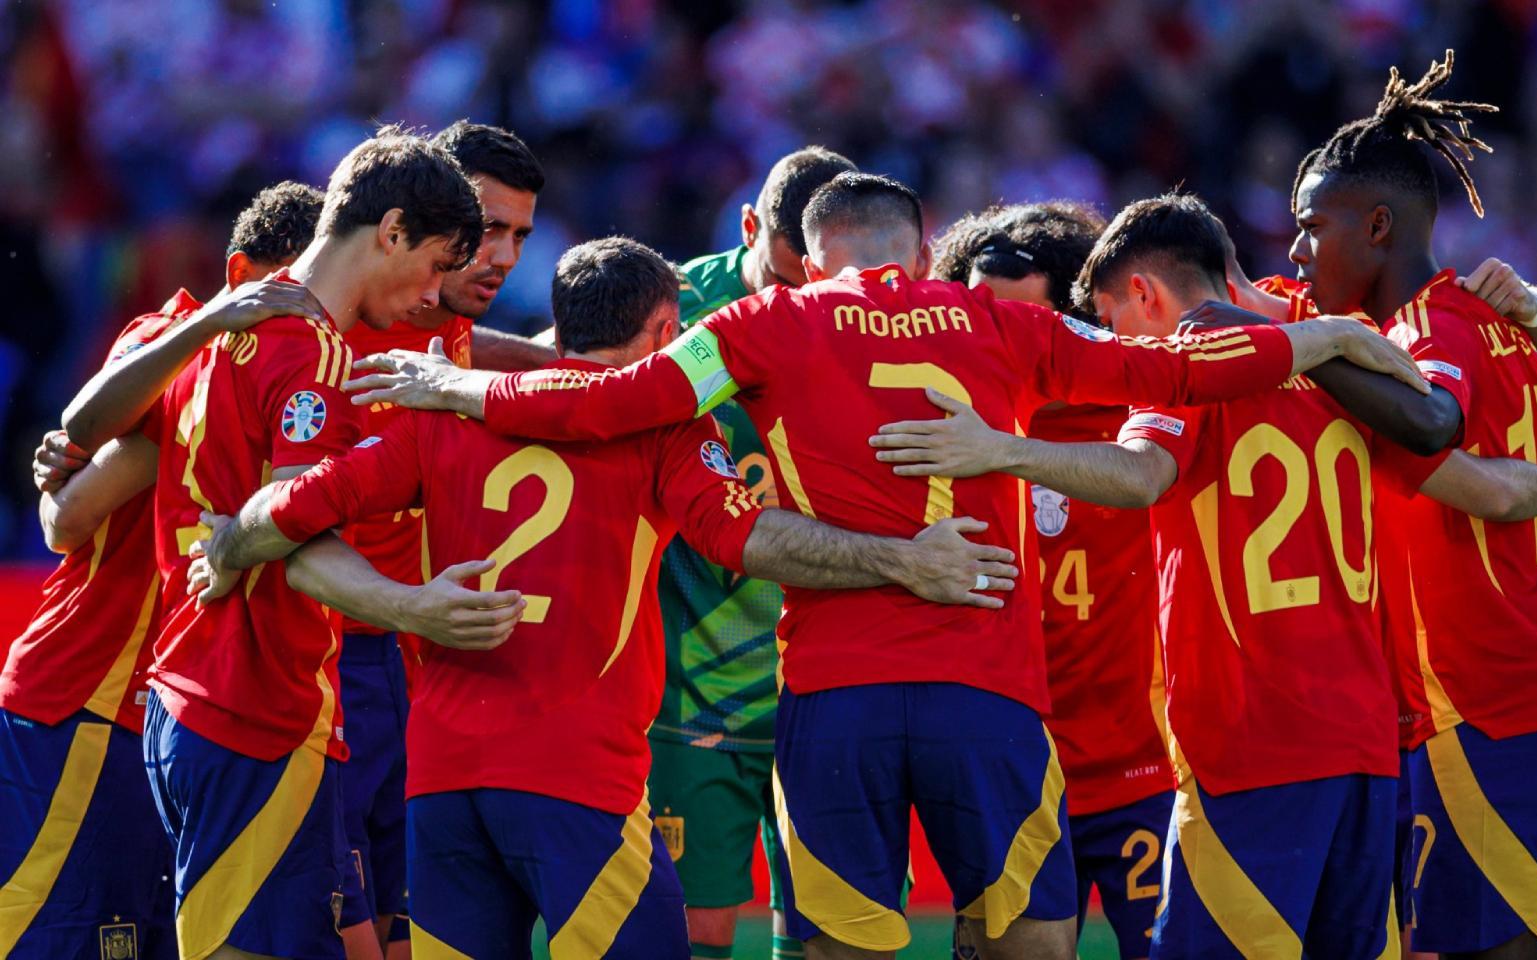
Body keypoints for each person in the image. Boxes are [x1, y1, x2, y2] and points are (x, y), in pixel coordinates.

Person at [342, 172, 1427, 960]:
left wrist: (463, 387)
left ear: (816, 256)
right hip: (988, 691)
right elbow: (1170, 370)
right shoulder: (997, 323)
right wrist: (1325, 338)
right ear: (916, 252)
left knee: (837, 943)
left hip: (834, 693)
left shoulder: (768, 321)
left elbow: (620, 399)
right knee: (1034, 937)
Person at [187, 236, 1021, 958]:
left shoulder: (440, 412)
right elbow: (752, 540)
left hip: (442, 783)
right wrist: (903, 560)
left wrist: (227, 547)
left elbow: (295, 510)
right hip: (577, 781)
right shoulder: (665, 430)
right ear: (664, 332)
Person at [869, 192, 1537, 960]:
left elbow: (1142, 473)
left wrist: (999, 450)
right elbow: (1485, 469)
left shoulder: (1189, 363)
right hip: (1366, 750)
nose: (1114, 351)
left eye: (1108, 324)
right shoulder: (1350, 356)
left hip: (1248, 746)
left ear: (1143, 294)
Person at [60, 126, 490, 960]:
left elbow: (82, 436)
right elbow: (299, 542)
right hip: (252, 706)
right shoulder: (312, 353)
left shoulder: (224, 327)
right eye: (437, 263)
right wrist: (416, 607)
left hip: (189, 695)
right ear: (391, 230)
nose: (434, 292)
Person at [1287, 52, 1537, 960]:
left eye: (1312, 227)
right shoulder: (1495, 319)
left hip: (1488, 700)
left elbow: (1435, 426)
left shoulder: (1425, 330)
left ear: (1378, 225)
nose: (1298, 252)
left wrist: (1305, 349)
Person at [0, 181, 324, 960]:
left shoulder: (317, 368)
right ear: (244, 276)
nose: (315, 315)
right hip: (91, 698)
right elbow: (65, 519)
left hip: (187, 720)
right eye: (298, 289)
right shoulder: (177, 345)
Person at [930, 200, 1174, 960]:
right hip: (1007, 772)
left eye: (1025, 324)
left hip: (1144, 765)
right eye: (983, 321)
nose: (1001, 345)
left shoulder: (1146, 417)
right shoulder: (941, 428)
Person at [333, 119, 553, 960]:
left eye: (519, 236)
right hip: (332, 658)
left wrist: (558, 363)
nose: (501, 256)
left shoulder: (437, 316)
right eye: (487, 229)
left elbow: (463, 354)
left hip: (413, 661)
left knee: (410, 930)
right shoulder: (341, 323)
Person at [652, 146, 855, 960]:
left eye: (821, 271)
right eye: (785, 268)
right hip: (694, 687)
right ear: (747, 228)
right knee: (695, 929)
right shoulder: (672, 305)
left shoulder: (874, 314)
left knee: (827, 933)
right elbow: (566, 364)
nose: (803, 291)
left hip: (830, 679)